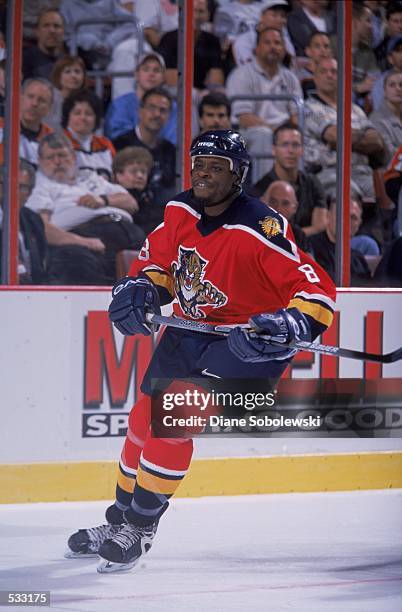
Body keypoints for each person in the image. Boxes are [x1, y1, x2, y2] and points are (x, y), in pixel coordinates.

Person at [66, 130, 336, 572]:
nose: (204, 175)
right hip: (191, 330)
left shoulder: (261, 225)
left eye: (217, 168)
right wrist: (142, 288)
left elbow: (314, 285)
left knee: (172, 420)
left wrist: (294, 321)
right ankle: (117, 522)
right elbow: (158, 262)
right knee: (142, 419)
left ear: (238, 175)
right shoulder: (179, 210)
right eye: (198, 165)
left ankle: (139, 528)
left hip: (248, 344)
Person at [25, 132, 144, 285]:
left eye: (62, 155)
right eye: (50, 157)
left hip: (128, 232)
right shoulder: (40, 186)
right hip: (81, 238)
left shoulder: (89, 177)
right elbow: (42, 229)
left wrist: (103, 200)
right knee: (75, 263)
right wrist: (84, 242)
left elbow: (131, 203)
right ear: (40, 162)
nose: (57, 162)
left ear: (74, 158)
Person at [226, 26, 303, 183]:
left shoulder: (290, 78)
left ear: (283, 49)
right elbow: (244, 118)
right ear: (257, 48)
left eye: (277, 43)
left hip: (281, 132)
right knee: (263, 134)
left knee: (298, 137)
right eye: (267, 43)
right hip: (247, 133)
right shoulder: (241, 74)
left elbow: (297, 115)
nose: (273, 47)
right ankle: (266, 189)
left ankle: (297, 189)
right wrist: (276, 132)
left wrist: (286, 133)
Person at [304, 58, 386, 200]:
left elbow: (377, 141)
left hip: (362, 172)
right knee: (349, 194)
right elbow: (333, 135)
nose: (329, 75)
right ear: (315, 78)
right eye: (323, 72)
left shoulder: (355, 109)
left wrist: (342, 140)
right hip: (329, 172)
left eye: (334, 72)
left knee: (391, 191)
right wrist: (362, 137)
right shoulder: (308, 108)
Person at [252, 123, 328, 237]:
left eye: (296, 145)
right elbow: (268, 232)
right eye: (285, 144)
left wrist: (292, 236)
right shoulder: (261, 189)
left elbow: (320, 226)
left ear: (302, 150)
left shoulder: (312, 183)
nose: (290, 151)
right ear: (274, 149)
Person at [112, 86, 176, 204]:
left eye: (163, 110)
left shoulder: (171, 151)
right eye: (152, 108)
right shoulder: (119, 145)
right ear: (140, 111)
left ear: (169, 116)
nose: (157, 114)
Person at [104, 52, 177, 144]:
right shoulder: (120, 105)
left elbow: (174, 140)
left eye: (157, 70)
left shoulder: (173, 107)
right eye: (146, 69)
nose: (151, 74)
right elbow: (116, 138)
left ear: (163, 77)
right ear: (136, 74)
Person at [158, 0, 225, 91]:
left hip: (204, 94)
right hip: (176, 94)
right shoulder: (168, 39)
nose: (196, 16)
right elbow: (172, 81)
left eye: (201, 11)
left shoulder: (213, 41)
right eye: (192, 11)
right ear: (182, 12)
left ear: (208, 15)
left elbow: (216, 81)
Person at [0, 160, 48, 284]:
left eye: (19, 187)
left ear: (29, 193)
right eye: (3, 184)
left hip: (30, 296)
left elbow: (42, 268)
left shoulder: (33, 220)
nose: (8, 191)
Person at [309, 197, 375, 285]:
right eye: (342, 215)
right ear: (328, 216)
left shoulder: (358, 259)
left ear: (359, 224)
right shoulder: (310, 247)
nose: (346, 221)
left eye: (353, 217)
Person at [62, 89, 115, 180]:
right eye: (77, 113)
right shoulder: (58, 143)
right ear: (67, 116)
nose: (83, 118)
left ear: (96, 118)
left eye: (89, 114)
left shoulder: (105, 145)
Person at [112, 146, 164, 235]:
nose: (140, 176)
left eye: (143, 172)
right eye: (133, 171)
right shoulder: (112, 201)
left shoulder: (153, 203)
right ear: (118, 175)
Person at [261, 179, 312, 253]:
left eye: (285, 203)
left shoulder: (298, 235)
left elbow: (308, 263)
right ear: (262, 202)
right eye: (273, 202)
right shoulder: (250, 230)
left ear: (295, 208)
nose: (278, 208)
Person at [19, 78, 55, 167]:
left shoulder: (52, 140)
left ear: (49, 108)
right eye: (30, 96)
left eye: (42, 100)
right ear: (20, 98)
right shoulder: (2, 128)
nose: (34, 103)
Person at [22, 9, 66, 81]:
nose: (52, 30)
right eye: (46, 25)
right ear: (37, 31)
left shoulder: (68, 62)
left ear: (63, 32)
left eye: (56, 26)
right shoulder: (23, 60)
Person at [369, 69, 402, 164]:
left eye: (401, 85)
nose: (398, 89)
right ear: (384, 90)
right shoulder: (376, 119)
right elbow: (389, 155)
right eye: (392, 85)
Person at [46, 55, 87, 129]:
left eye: (77, 72)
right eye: (67, 72)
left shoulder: (88, 100)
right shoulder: (49, 98)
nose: (73, 76)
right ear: (58, 76)